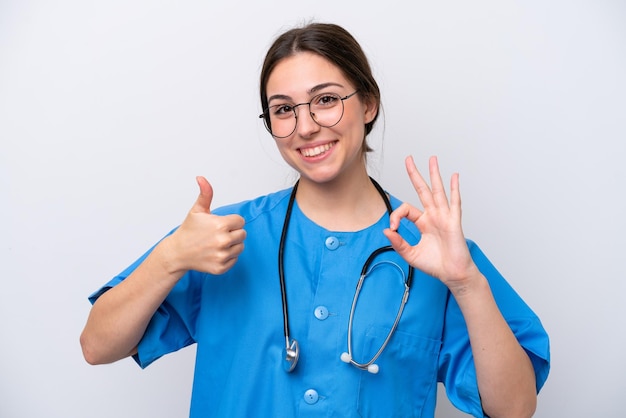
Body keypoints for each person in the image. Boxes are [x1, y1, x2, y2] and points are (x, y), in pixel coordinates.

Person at [80, 22, 550, 418]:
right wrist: (169, 258)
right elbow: (97, 346)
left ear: (368, 104)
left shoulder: (433, 251)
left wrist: (467, 284)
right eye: (283, 109)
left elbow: (514, 408)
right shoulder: (220, 236)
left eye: (325, 100)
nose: (305, 126)